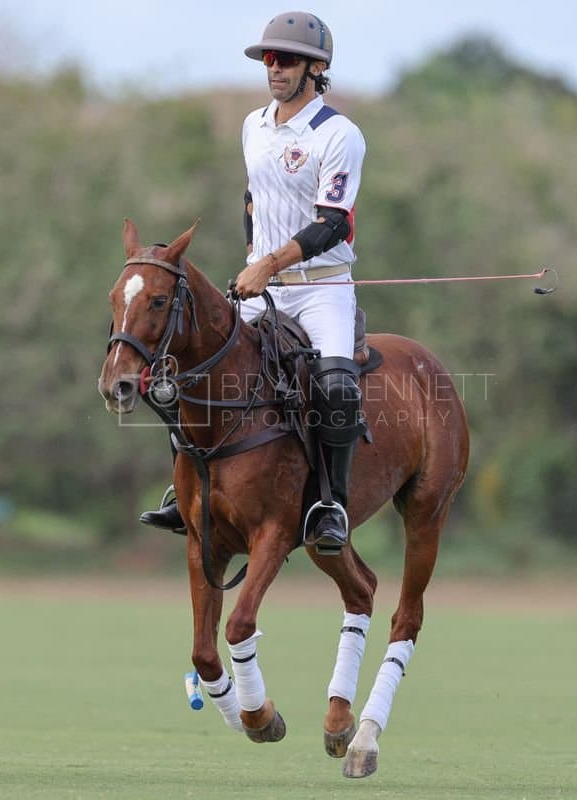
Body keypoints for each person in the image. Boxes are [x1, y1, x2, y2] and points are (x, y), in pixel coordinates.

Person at [140, 11, 366, 555]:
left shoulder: (339, 134)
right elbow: (253, 198)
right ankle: (184, 487)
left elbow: (333, 222)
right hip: (261, 286)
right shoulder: (254, 125)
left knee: (337, 388)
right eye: (268, 58)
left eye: (285, 59)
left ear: (317, 69)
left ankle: (330, 505)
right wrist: (252, 256)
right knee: (185, 367)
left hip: (322, 289)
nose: (274, 68)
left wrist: (269, 264)